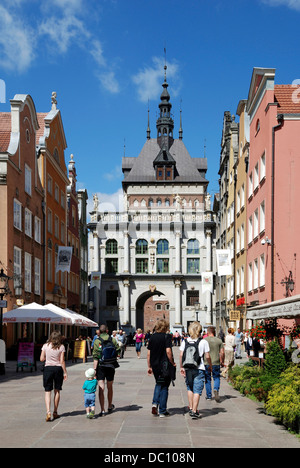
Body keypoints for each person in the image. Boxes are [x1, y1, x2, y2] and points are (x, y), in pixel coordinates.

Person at [180, 322, 212, 420]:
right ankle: (194, 411)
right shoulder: (203, 342)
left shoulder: (185, 341)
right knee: (197, 390)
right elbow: (207, 356)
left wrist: (181, 367)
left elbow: (181, 355)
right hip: (199, 368)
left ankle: (190, 408)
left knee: (190, 388)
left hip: (188, 368)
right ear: (200, 330)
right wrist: (210, 365)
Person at [147, 319, 176, 418]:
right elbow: (168, 351)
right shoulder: (166, 336)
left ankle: (155, 403)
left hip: (155, 366)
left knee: (159, 382)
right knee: (164, 387)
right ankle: (162, 411)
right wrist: (172, 362)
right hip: (165, 366)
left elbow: (148, 354)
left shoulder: (152, 337)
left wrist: (149, 366)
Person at [93, 324, 120, 417]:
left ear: (99, 332)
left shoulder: (97, 341)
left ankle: (102, 410)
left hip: (101, 366)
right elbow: (118, 350)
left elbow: (95, 357)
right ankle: (109, 406)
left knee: (101, 388)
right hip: (111, 365)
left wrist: (94, 370)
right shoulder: (112, 339)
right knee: (110, 386)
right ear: (107, 331)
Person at [40, 331, 68, 422]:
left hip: (47, 369)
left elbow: (41, 359)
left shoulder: (45, 346)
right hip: (58, 369)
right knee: (57, 390)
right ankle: (55, 412)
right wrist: (65, 372)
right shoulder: (62, 347)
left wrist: (47, 357)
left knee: (47, 391)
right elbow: (62, 361)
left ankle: (48, 412)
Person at [204, 326, 224, 402]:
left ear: (208, 332)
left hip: (206, 362)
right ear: (214, 332)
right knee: (216, 377)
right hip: (216, 362)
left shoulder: (204, 340)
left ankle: (209, 396)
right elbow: (222, 352)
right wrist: (222, 361)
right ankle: (216, 389)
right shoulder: (219, 341)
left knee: (207, 379)